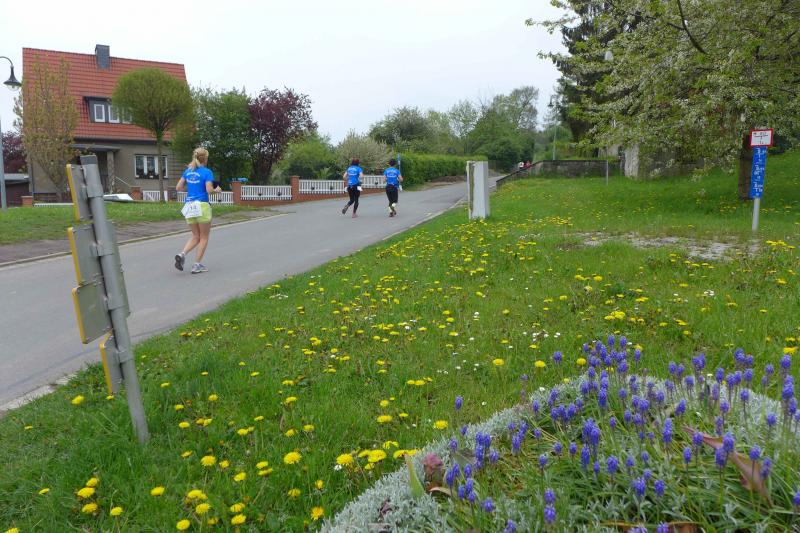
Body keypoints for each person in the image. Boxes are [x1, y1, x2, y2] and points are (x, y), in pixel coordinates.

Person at [174, 147, 221, 274]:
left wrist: (191, 190)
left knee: (195, 236)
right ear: (205, 158)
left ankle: (182, 254)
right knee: (204, 237)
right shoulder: (207, 172)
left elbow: (178, 187)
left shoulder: (188, 171)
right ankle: (196, 265)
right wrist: (217, 190)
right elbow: (209, 190)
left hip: (189, 206)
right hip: (202, 205)